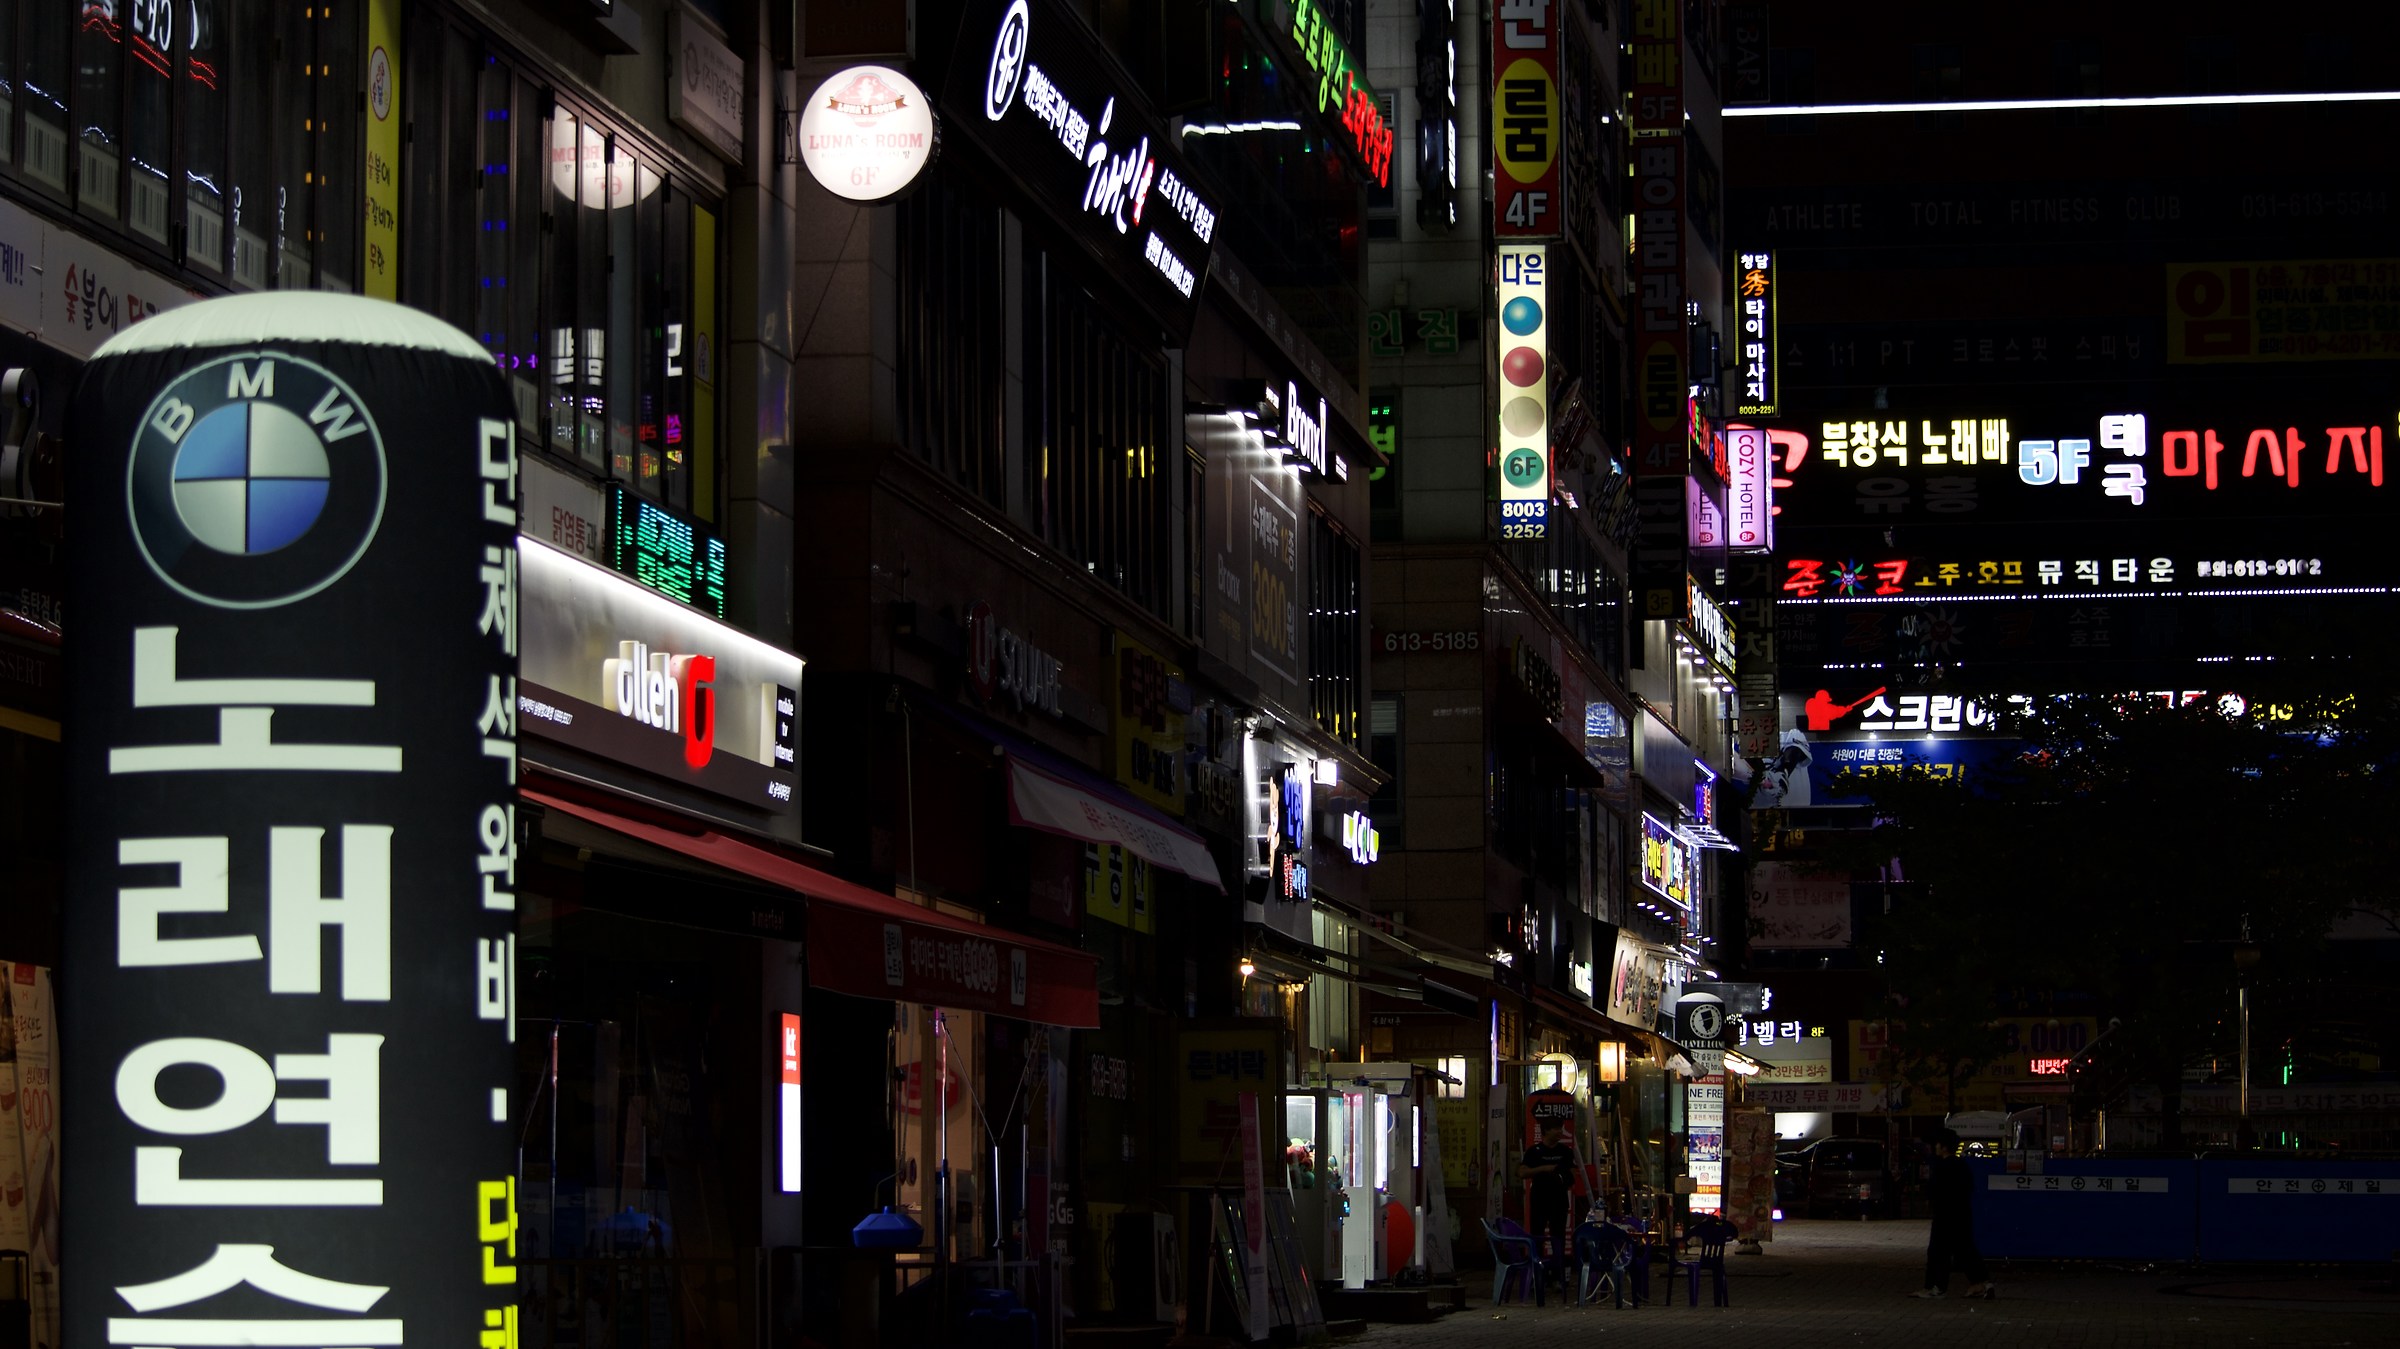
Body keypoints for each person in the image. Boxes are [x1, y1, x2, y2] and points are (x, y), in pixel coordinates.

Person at [1912, 1128, 1993, 1299]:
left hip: (1945, 1215)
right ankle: (1981, 1283)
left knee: (1937, 1251)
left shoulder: (1942, 1166)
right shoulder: (1961, 1165)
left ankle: (1936, 1287)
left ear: (1944, 1146)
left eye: (1937, 1144)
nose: (1935, 1147)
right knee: (1965, 1249)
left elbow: (1935, 1191)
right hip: (1961, 1214)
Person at [1518, 1121, 1581, 1266]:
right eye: (1556, 1127)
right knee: (1537, 1236)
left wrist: (1563, 1178)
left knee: (1558, 1237)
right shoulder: (1534, 1151)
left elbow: (1572, 1174)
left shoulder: (1565, 1151)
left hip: (1559, 1200)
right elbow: (1522, 1172)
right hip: (1539, 1199)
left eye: (1561, 1128)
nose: (1560, 1131)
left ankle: (1557, 1276)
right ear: (1546, 1130)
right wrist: (1545, 1168)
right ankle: (1538, 1274)